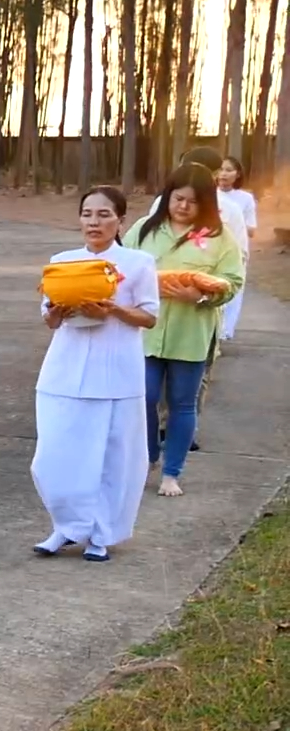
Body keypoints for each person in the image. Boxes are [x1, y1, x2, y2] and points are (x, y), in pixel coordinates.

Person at [31, 187, 159, 563]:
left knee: (112, 456)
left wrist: (114, 310)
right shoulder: (62, 261)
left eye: (104, 215)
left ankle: (102, 533)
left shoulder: (138, 263)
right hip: (65, 370)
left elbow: (149, 316)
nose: (94, 222)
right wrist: (57, 311)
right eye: (87, 214)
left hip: (116, 370)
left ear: (120, 220)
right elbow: (49, 318)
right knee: (54, 455)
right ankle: (65, 527)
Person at [130, 163, 244, 498]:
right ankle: (149, 455)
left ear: (205, 203)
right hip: (146, 332)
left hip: (191, 332)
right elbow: (121, 270)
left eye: (192, 202)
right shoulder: (143, 230)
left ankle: (171, 472)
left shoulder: (220, 238)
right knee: (144, 396)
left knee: (182, 403)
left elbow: (233, 281)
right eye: (178, 198)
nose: (182, 206)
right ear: (168, 196)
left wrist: (203, 295)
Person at [214, 157, 259, 341]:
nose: (224, 174)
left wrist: (233, 223)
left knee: (232, 291)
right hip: (211, 248)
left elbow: (251, 230)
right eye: (221, 169)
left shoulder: (245, 199)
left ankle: (224, 333)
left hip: (235, 249)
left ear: (238, 174)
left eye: (229, 170)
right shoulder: (209, 195)